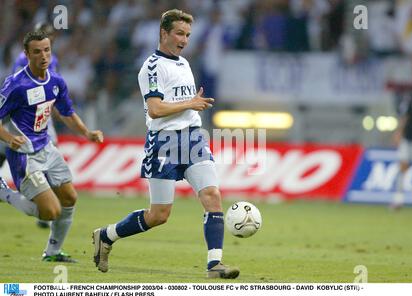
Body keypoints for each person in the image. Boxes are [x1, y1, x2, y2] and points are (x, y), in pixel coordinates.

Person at [92, 9, 239, 279]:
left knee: (212, 196)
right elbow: (156, 109)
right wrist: (191, 103)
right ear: (164, 33)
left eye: (188, 35)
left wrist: (192, 105)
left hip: (193, 137)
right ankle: (106, 235)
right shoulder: (151, 67)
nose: (184, 40)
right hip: (164, 142)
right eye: (179, 34)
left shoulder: (183, 63)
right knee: (159, 215)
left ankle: (214, 265)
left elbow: (181, 103)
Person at [0, 30, 103, 262]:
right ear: (26, 54)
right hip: (24, 156)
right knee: (50, 212)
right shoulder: (16, 85)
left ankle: (53, 252)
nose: (43, 56)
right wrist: (8, 138)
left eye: (46, 50)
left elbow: (67, 113)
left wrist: (87, 132)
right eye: (37, 52)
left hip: (47, 149)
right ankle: (4, 193)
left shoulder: (56, 81)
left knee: (69, 198)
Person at [4, 22, 60, 229]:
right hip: (25, 117)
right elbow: (23, 88)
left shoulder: (53, 59)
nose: (51, 38)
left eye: (52, 36)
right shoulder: (23, 61)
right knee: (20, 153)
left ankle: (41, 202)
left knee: (47, 157)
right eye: (47, 34)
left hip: (43, 116)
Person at [391, 56, 412, 210]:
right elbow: (405, 116)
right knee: (402, 165)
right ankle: (398, 198)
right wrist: (399, 132)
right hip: (408, 137)